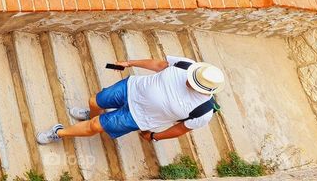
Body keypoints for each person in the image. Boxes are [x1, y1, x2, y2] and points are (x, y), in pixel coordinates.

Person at [36, 56, 224, 145]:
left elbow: (181, 129)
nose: (188, 80)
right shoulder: (188, 65)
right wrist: (130, 63)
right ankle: (90, 115)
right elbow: (159, 64)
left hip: (137, 117)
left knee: (95, 126)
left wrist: (154, 136)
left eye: (194, 83)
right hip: (131, 87)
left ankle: (58, 133)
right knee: (94, 101)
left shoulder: (203, 111)